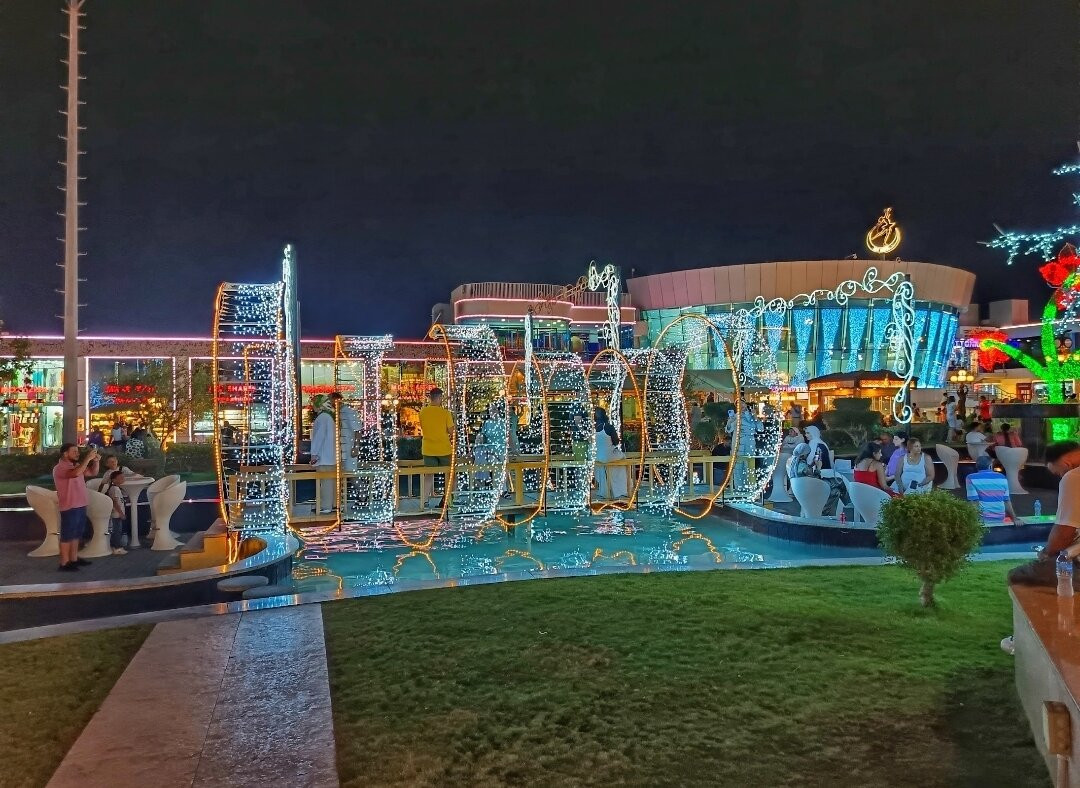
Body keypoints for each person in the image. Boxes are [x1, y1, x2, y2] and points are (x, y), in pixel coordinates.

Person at [1006, 441, 1080, 595]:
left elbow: (1063, 533)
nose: (1060, 477)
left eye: (1058, 473)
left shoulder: (1073, 477)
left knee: (1019, 576)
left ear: (1067, 464)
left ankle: (1055, 617)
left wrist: (1046, 553)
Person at [52, 443, 99, 571]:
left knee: (76, 533)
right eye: (74, 452)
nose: (77, 454)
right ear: (65, 454)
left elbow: (93, 472)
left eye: (78, 452)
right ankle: (64, 563)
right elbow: (74, 474)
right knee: (67, 534)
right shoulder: (59, 468)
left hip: (81, 504)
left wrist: (95, 461)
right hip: (69, 505)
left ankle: (73, 558)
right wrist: (87, 459)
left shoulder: (77, 465)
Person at [789, 442, 850, 516]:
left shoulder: (794, 463)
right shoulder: (803, 467)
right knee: (839, 481)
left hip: (804, 489)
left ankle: (828, 513)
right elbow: (816, 478)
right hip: (813, 487)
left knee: (836, 491)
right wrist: (818, 467)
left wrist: (812, 464)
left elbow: (805, 473)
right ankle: (848, 504)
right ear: (805, 454)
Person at [419, 388, 455, 507]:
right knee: (449, 474)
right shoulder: (445, 413)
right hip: (443, 448)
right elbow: (451, 431)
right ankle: (447, 499)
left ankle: (424, 500)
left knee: (429, 475)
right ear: (439, 398)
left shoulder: (422, 412)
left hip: (428, 448)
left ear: (430, 398)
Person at [966, 455, 1021, 525]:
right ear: (990, 465)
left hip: (982, 518)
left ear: (977, 466)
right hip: (1000, 516)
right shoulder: (1002, 477)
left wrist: (971, 522)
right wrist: (1014, 518)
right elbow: (1006, 501)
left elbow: (974, 502)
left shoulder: (971, 478)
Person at [308, 395, 336, 514]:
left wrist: (313, 453)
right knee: (331, 482)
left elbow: (319, 437)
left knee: (325, 482)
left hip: (324, 456)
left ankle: (326, 506)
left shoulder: (322, 418)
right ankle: (333, 504)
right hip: (330, 456)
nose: (312, 405)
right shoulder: (329, 417)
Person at [593, 407, 628, 499]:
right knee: (622, 458)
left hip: (597, 457)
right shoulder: (608, 427)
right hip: (608, 456)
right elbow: (616, 442)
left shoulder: (593, 428)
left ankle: (605, 489)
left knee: (606, 465)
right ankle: (620, 489)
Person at [100, 469, 130, 555]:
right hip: (116, 514)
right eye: (120, 478)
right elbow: (115, 502)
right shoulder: (114, 489)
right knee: (117, 531)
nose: (123, 479)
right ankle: (117, 547)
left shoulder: (116, 488)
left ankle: (115, 546)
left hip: (117, 513)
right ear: (114, 480)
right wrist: (121, 513)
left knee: (117, 530)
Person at [330, 392, 360, 473]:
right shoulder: (338, 412)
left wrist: (356, 447)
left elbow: (357, 430)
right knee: (344, 475)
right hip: (342, 450)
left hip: (349, 448)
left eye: (330, 400)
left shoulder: (348, 411)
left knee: (351, 475)